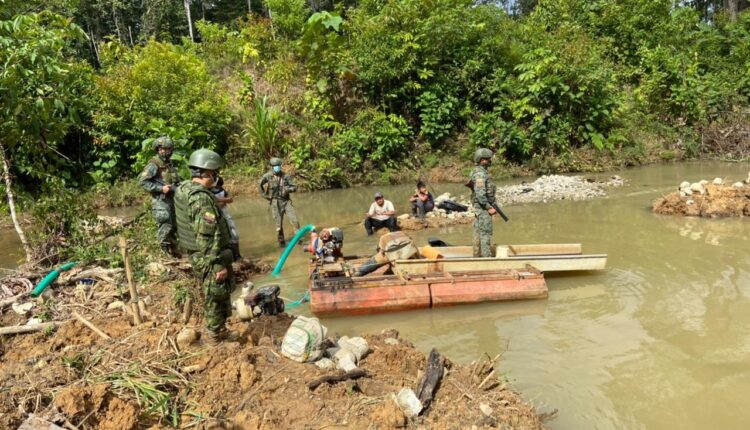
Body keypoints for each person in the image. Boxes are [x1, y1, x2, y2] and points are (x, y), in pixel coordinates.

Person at [174, 149, 237, 345]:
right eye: (214, 173)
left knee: (218, 292)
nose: (216, 177)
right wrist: (217, 264)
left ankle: (220, 330)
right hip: (208, 255)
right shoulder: (200, 199)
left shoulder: (184, 188)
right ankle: (214, 337)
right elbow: (206, 235)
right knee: (215, 295)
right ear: (206, 173)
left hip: (198, 253)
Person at [138, 136, 181, 256]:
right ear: (158, 149)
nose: (166, 151)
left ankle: (174, 250)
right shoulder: (154, 164)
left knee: (174, 226)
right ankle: (164, 252)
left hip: (172, 199)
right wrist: (161, 188)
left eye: (168, 149)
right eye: (163, 149)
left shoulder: (169, 164)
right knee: (165, 225)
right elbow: (143, 181)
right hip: (161, 201)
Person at [258, 158, 300, 247]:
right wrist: (265, 196)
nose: (277, 168)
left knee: (295, 221)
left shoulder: (286, 176)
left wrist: (288, 190)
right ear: (271, 167)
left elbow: (294, 187)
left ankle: (298, 240)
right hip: (275, 203)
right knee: (279, 224)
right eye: (275, 167)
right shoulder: (267, 176)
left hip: (286, 201)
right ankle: (281, 243)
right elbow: (259, 184)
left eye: (278, 166)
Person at [469, 148, 499, 257]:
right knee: (485, 234)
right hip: (482, 208)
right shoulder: (480, 174)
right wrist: (488, 207)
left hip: (479, 208)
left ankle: (477, 257)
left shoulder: (479, 172)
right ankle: (487, 259)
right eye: (488, 159)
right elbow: (480, 194)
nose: (490, 161)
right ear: (482, 160)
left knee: (478, 233)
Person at [354, 231, 420, 276]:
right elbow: (412, 241)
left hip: (392, 253)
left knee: (374, 262)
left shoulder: (383, 239)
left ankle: (359, 272)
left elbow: (381, 252)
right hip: (409, 251)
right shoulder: (401, 233)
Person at [210, 177, 241, 261]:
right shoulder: (207, 191)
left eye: (220, 187)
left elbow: (230, 199)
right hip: (216, 218)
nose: (219, 188)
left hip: (226, 215)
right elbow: (215, 204)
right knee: (221, 238)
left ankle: (237, 256)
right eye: (217, 187)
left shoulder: (221, 190)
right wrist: (223, 200)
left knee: (235, 236)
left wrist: (220, 201)